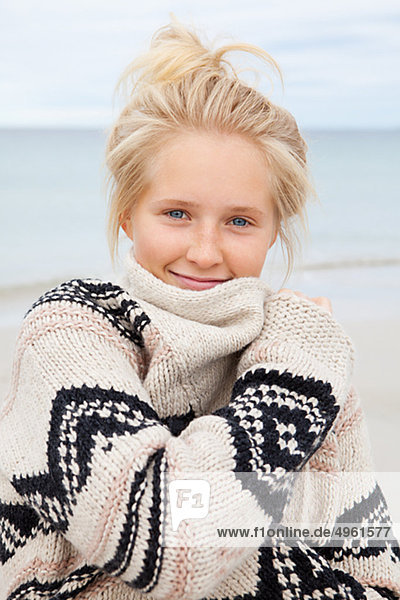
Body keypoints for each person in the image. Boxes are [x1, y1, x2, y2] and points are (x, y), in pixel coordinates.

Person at [0, 18, 399, 600]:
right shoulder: (70, 330)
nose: (205, 251)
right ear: (126, 214)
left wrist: (227, 511)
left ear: (273, 233)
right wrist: (298, 501)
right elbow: (163, 542)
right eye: (177, 214)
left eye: (239, 221)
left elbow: (377, 576)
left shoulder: (295, 344)